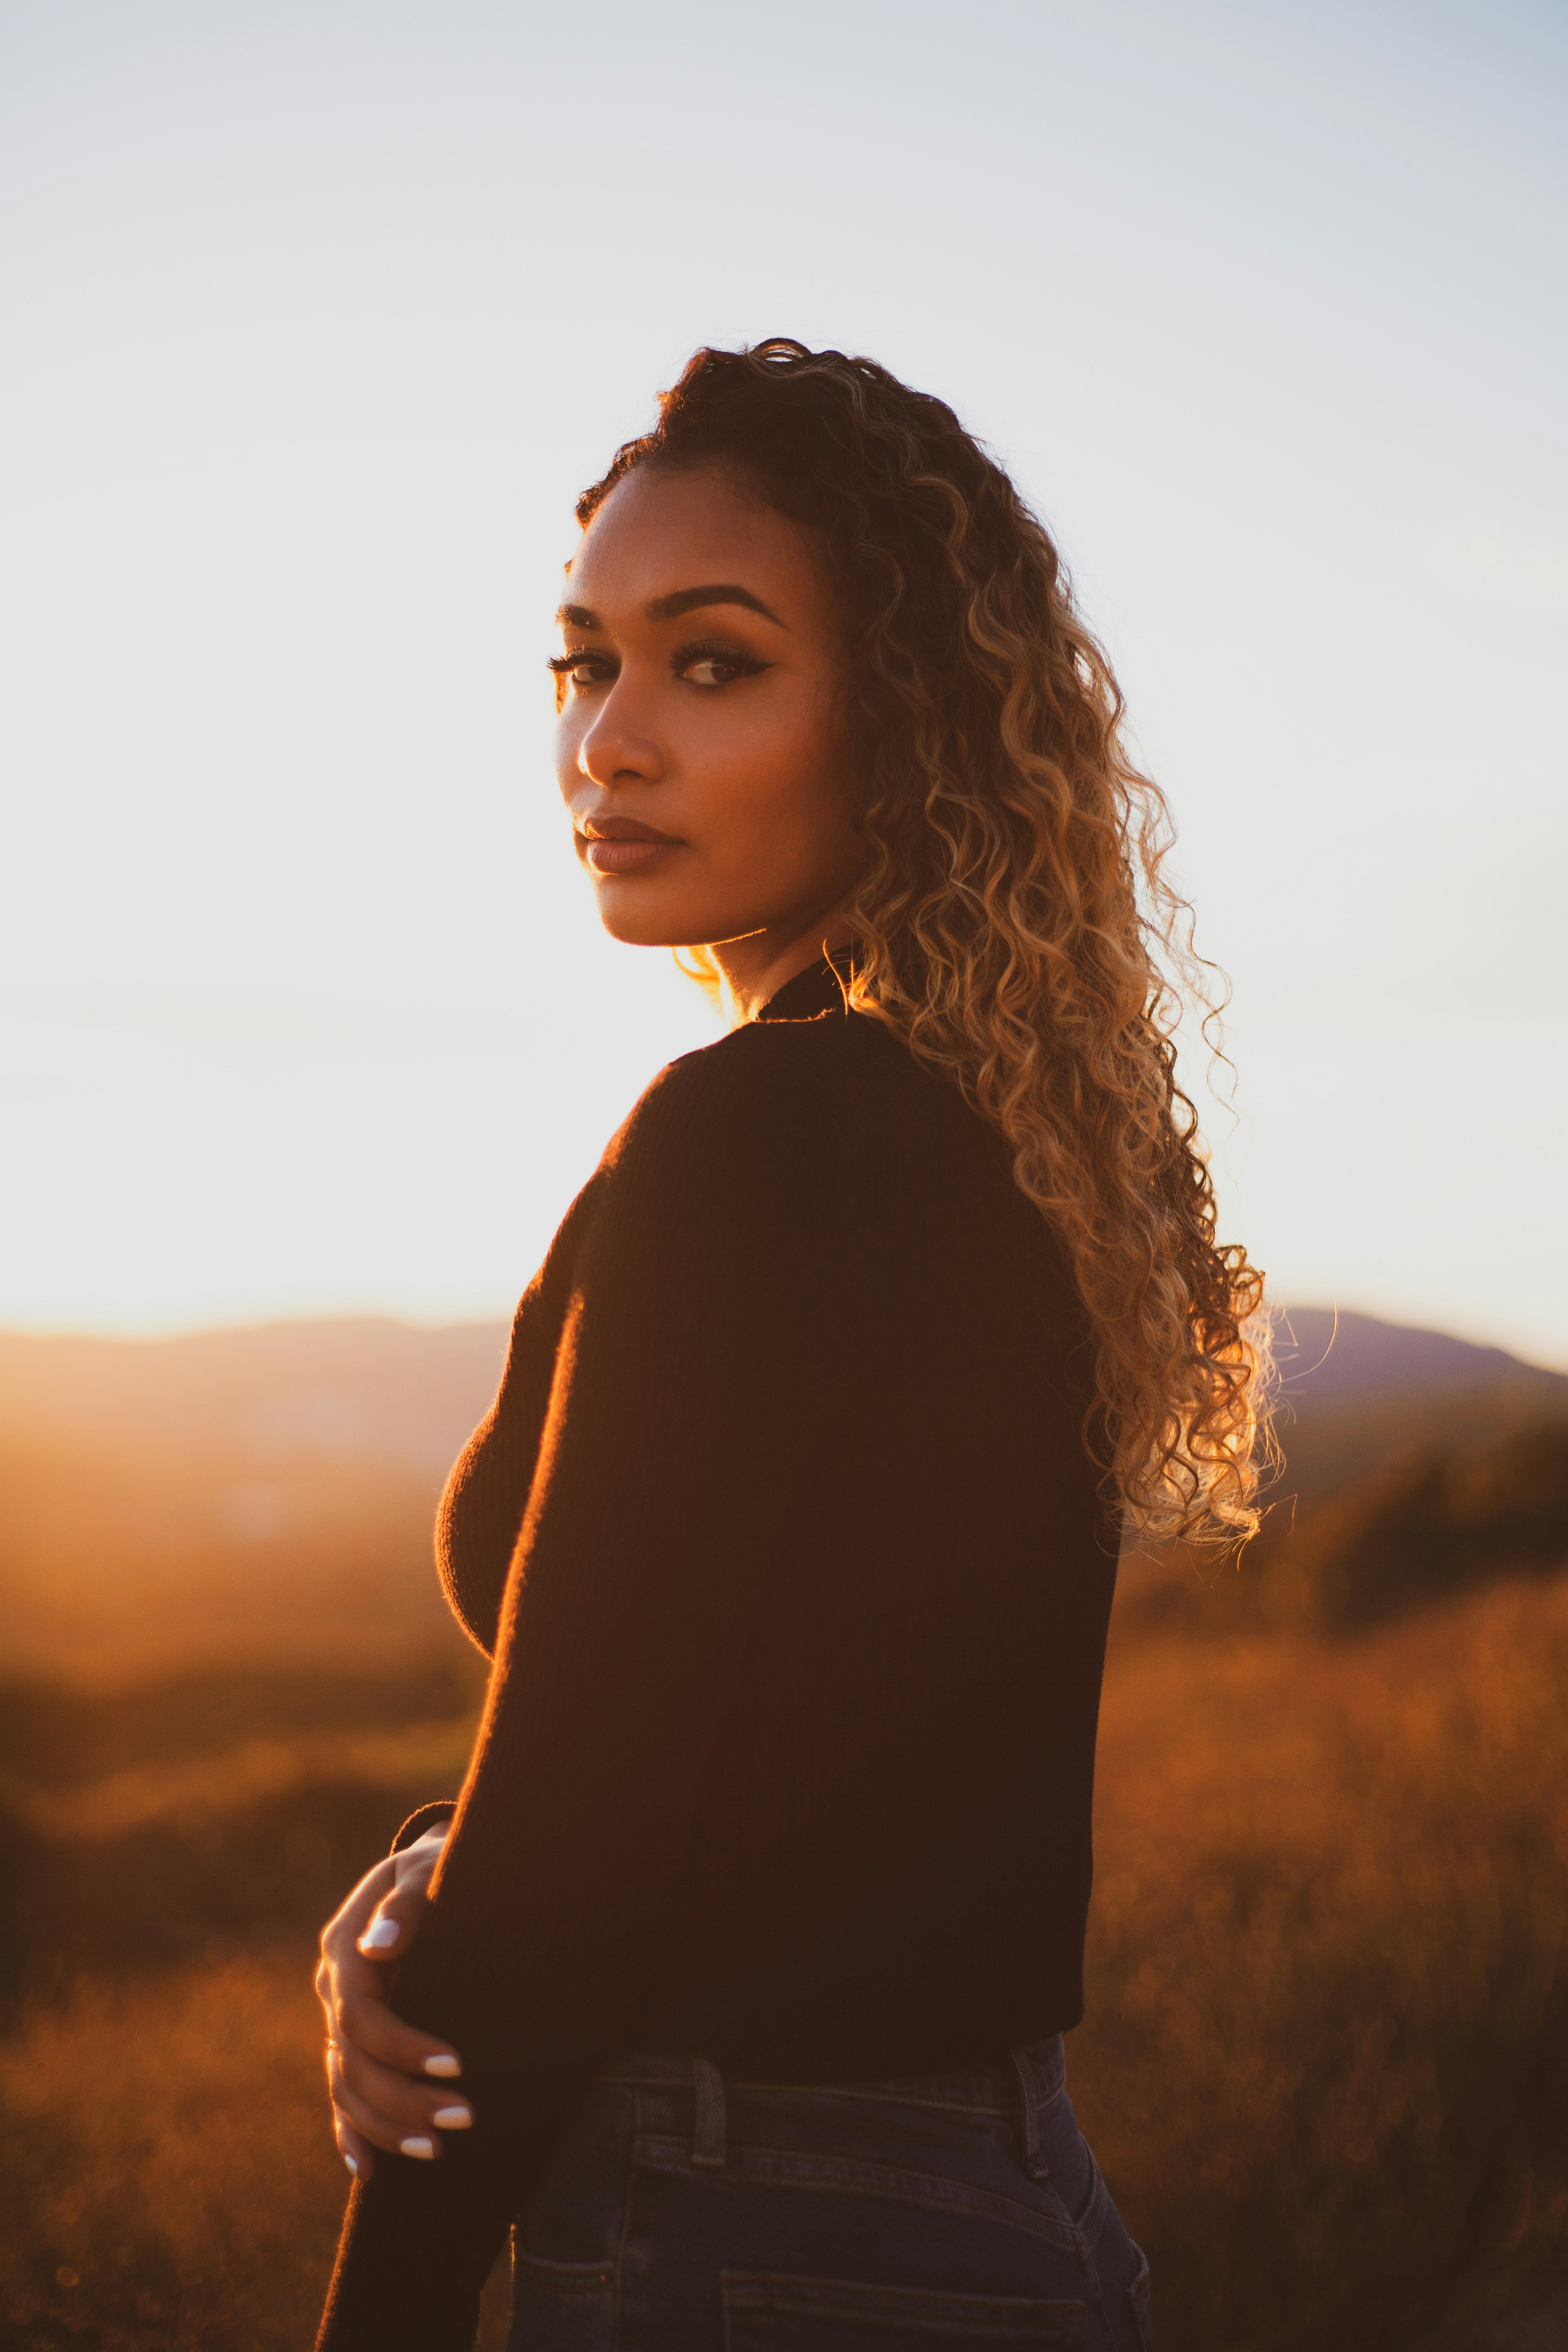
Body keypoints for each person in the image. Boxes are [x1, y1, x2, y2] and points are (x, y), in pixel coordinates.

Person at [312, 339, 1267, 2352]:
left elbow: (585, 1863)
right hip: (996, 2210)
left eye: (714, 662)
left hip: (744, 2228)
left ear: (905, 718)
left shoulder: (763, 1137)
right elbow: (779, 1746)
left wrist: (382, 2307)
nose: (611, 744)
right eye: (585, 663)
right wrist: (433, 1879)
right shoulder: (984, 1133)